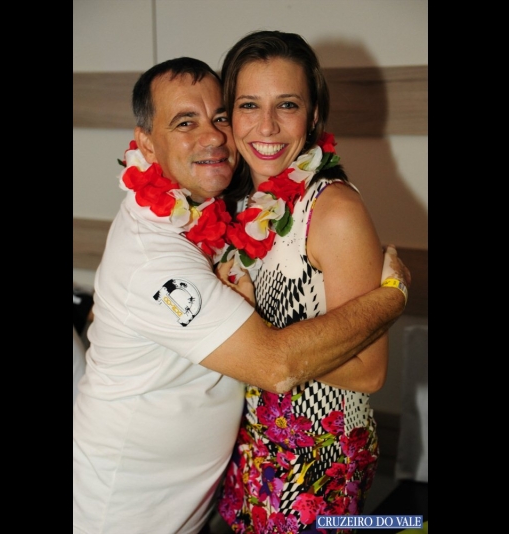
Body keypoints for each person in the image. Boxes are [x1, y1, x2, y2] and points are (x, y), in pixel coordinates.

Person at [72, 56, 410, 534]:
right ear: (145, 142)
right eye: (185, 122)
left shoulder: (227, 207)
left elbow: (368, 371)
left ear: (313, 114)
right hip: (126, 512)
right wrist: (392, 298)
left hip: (289, 474)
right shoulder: (157, 255)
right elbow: (274, 364)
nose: (212, 136)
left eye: (220, 117)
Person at [215, 30, 394, 533]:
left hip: (317, 465)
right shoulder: (245, 201)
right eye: (249, 105)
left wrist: (257, 336)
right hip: (254, 449)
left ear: (313, 116)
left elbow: (369, 372)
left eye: (287, 105)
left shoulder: (333, 211)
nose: (266, 125)